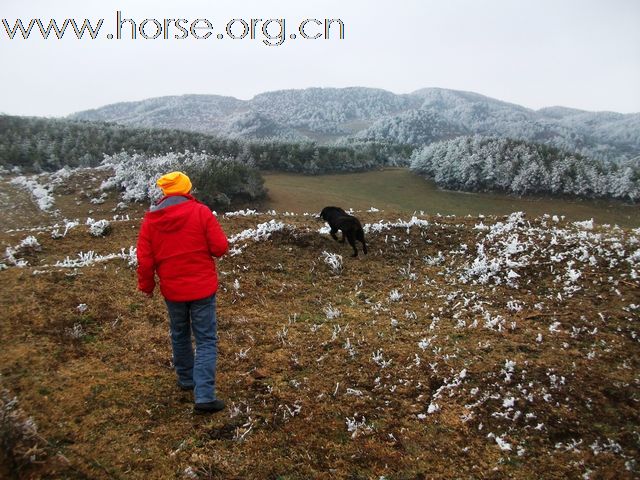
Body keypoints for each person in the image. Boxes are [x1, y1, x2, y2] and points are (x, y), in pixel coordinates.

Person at [136, 171, 229, 414]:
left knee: (179, 333)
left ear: (166, 192)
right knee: (206, 339)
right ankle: (205, 396)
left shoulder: (151, 220)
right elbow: (220, 248)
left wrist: (147, 286)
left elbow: (145, 261)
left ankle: (187, 380)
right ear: (186, 189)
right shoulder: (200, 212)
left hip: (173, 291)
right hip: (202, 289)